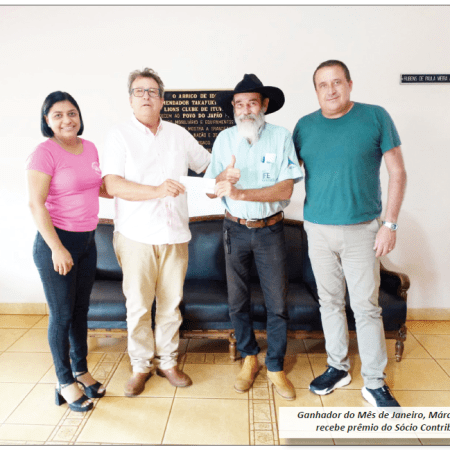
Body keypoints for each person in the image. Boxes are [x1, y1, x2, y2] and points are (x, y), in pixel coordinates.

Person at [293, 60, 407, 408]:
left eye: (337, 82)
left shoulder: (375, 117)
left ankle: (374, 382)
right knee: (329, 302)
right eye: (323, 85)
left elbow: (398, 173)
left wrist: (389, 224)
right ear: (316, 91)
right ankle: (338, 367)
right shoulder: (304, 127)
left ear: (349, 84)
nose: (331, 90)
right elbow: (286, 175)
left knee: (366, 307)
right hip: (317, 230)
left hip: (362, 231)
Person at [102, 68, 211, 397]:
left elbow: (208, 165)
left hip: (175, 234)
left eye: (152, 91)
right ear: (130, 100)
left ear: (162, 100)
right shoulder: (119, 135)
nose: (146, 96)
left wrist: (227, 174)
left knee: (170, 305)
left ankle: (168, 362)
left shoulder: (179, 134)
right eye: (139, 91)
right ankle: (140, 366)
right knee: (138, 306)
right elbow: (112, 184)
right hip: (136, 235)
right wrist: (157, 190)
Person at [204, 74, 303, 400]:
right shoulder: (224, 139)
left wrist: (241, 193)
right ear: (233, 108)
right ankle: (250, 358)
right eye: (239, 104)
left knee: (277, 303)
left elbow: (285, 189)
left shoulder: (281, 137)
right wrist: (223, 177)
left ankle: (274, 365)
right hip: (234, 230)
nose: (245, 109)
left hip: (270, 231)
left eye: (252, 103)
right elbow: (210, 189)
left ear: (264, 105)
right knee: (237, 302)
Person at [27, 91, 111, 412]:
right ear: (47, 120)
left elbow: (97, 187)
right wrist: (57, 248)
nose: (67, 120)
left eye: (72, 113)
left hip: (87, 241)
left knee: (79, 311)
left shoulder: (89, 147)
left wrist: (135, 187)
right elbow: (36, 204)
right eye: (58, 115)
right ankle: (64, 382)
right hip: (56, 243)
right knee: (61, 315)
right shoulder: (44, 153)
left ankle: (81, 370)